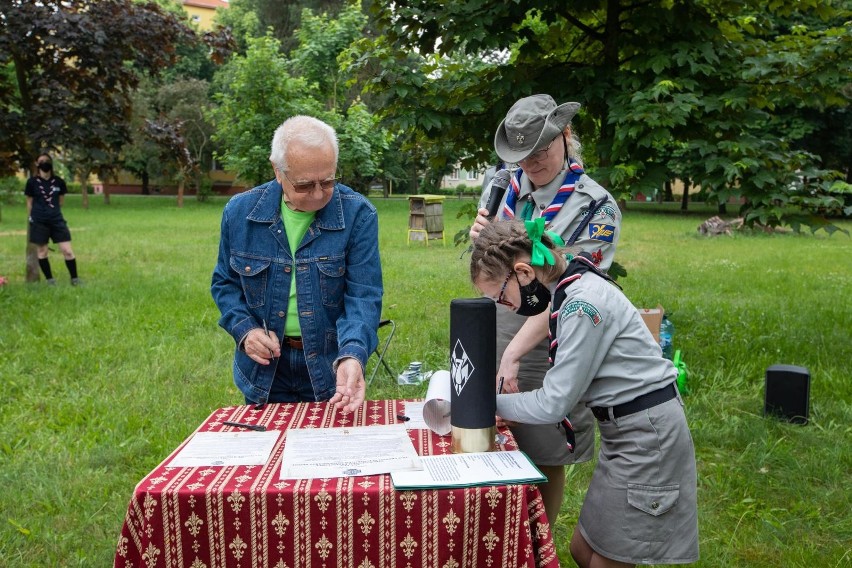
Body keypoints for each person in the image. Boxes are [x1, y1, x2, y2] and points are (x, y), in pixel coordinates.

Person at [471, 219, 698, 568]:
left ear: (523, 272)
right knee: (582, 550)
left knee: (607, 561)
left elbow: (553, 403)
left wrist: (483, 404)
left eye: (500, 295)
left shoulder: (581, 306)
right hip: (623, 434)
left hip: (647, 439)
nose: (504, 306)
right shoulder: (569, 285)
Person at [469, 94, 622, 523]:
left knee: (543, 448)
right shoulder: (502, 186)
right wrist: (479, 238)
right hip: (493, 324)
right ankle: (495, 538)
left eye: (542, 150)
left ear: (566, 136)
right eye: (523, 154)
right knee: (484, 437)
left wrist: (516, 353)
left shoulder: (596, 206)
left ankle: (540, 543)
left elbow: (569, 287)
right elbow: (491, 267)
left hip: (548, 334)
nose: (532, 163)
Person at [211, 116, 382, 413]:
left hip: (331, 364)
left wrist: (353, 355)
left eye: (328, 181)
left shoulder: (359, 215)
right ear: (278, 171)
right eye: (304, 185)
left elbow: (363, 296)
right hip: (264, 369)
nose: (317, 194)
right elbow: (225, 284)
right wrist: (246, 331)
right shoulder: (240, 213)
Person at [25, 153, 81, 285]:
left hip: (56, 220)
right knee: (42, 251)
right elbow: (29, 202)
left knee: (67, 250)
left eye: (47, 160)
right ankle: (50, 280)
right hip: (39, 221)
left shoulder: (59, 182)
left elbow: (61, 202)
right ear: (37, 164)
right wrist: (32, 217)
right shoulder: (31, 182)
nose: (45, 162)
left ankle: (75, 279)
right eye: (41, 160)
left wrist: (52, 211)